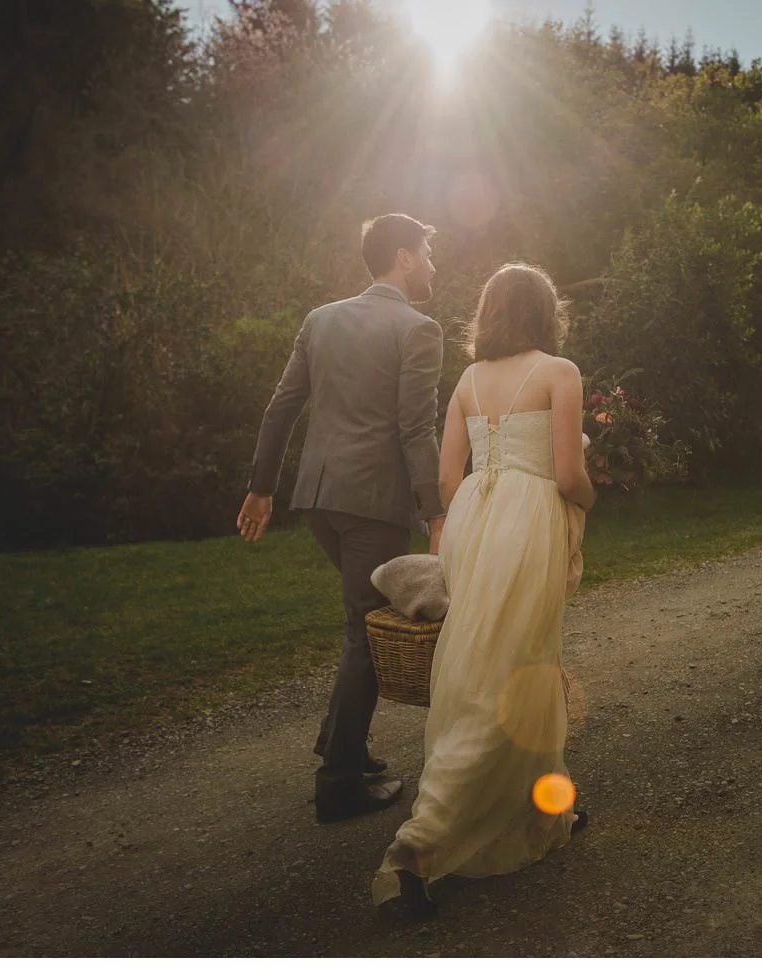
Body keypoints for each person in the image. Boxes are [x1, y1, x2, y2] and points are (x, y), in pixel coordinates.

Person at [371, 262, 596, 916]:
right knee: (513, 668)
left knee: (505, 664)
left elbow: (447, 480)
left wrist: (478, 509)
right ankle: (413, 849)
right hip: (527, 523)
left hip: (473, 517)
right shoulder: (561, 373)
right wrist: (590, 497)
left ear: (490, 312)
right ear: (545, 312)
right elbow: (566, 472)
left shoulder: (467, 381)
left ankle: (544, 815)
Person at [237, 213, 446, 824]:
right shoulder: (420, 329)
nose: (433, 265)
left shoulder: (320, 320)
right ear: (404, 257)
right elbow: (415, 430)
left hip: (318, 501)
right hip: (372, 505)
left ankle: (339, 741)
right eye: (428, 254)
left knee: (360, 622)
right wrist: (435, 513)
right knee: (367, 634)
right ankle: (339, 785)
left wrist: (261, 489)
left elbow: (280, 410)